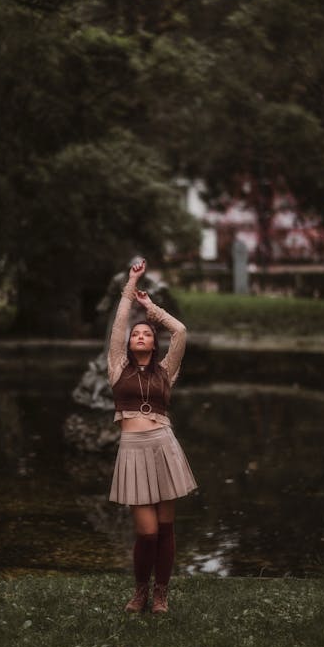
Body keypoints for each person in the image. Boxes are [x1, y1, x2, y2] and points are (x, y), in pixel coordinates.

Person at [108, 258, 197, 614]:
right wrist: (132, 286)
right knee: (146, 533)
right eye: (136, 334)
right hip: (133, 450)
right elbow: (118, 324)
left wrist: (151, 308)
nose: (139, 335)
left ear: (153, 344)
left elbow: (181, 332)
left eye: (145, 333)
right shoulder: (117, 368)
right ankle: (140, 591)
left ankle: (160, 594)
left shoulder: (166, 371)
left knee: (165, 527)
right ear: (129, 345)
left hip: (164, 446)